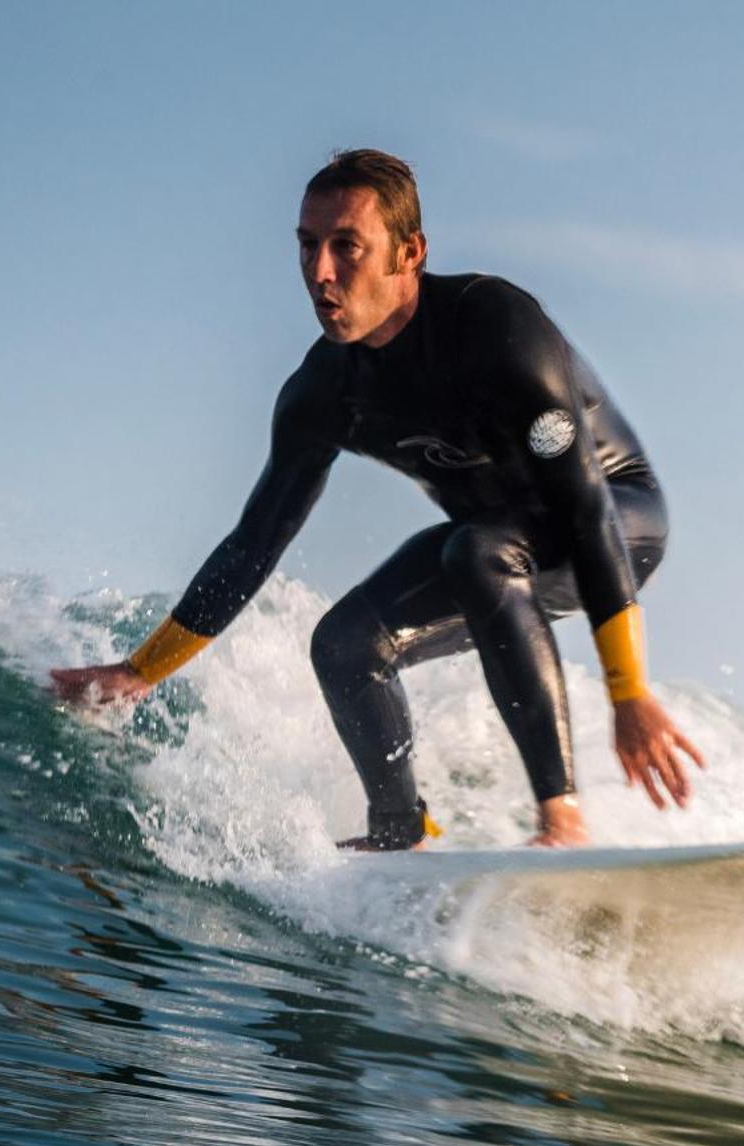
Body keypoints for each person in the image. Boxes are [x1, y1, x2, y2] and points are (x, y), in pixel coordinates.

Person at [51, 149, 704, 850]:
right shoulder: (323, 393)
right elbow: (254, 542)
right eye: (307, 246)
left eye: (346, 247)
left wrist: (628, 693)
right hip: (490, 549)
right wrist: (137, 672)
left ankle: (562, 822)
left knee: (477, 552)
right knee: (345, 642)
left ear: (409, 253)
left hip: (615, 523)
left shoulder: (498, 330)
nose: (320, 272)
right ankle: (401, 833)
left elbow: (585, 509)